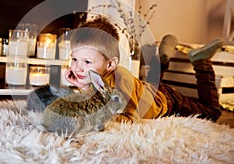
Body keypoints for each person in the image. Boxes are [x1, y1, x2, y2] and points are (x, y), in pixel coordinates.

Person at [64, 16, 223, 123]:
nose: (78, 67)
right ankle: (161, 61)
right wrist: (83, 86)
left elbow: (132, 117)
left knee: (212, 113)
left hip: (170, 102)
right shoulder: (99, 76)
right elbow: (98, 98)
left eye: (87, 61)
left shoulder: (121, 78)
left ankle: (202, 63)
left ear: (110, 64)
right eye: (75, 59)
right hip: (150, 91)